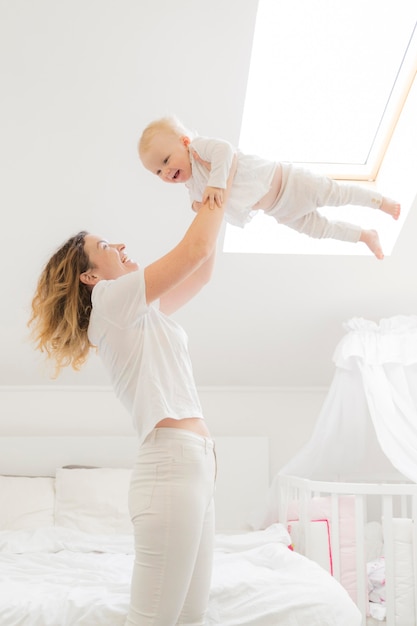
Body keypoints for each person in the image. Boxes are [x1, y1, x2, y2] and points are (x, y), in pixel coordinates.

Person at [28, 165, 235, 626]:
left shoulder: (141, 314)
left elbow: (201, 271)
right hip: (172, 466)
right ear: (89, 278)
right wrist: (218, 180)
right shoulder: (110, 302)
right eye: (105, 247)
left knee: (189, 617)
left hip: (197, 464)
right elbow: (194, 248)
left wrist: (208, 202)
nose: (120, 246)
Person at [138, 115, 401, 260]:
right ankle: (365, 235)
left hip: (289, 181)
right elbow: (199, 204)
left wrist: (217, 183)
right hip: (279, 209)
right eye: (158, 172)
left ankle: (381, 202)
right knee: (319, 230)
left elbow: (225, 151)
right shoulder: (192, 183)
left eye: (165, 161)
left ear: (184, 141)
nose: (165, 173)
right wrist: (197, 204)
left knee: (337, 194)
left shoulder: (198, 150)